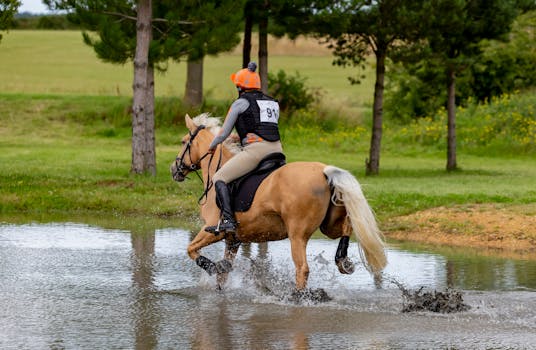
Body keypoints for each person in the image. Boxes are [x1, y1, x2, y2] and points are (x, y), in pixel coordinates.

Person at [206, 62, 283, 234]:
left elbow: (223, 133)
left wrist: (212, 146)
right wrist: (239, 137)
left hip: (256, 152)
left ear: (240, 87)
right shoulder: (272, 102)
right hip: (278, 150)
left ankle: (228, 220)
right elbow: (261, 127)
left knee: (219, 177)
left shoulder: (240, 103)